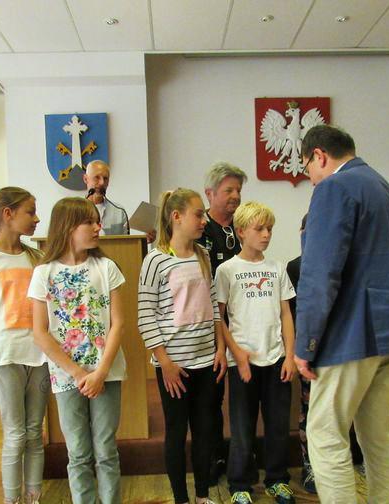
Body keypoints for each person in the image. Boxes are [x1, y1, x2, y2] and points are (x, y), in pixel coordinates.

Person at [294, 125, 389, 502]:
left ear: (319, 155)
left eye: (307, 168)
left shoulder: (334, 187)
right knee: (380, 436)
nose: (310, 179)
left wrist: (306, 343)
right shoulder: (385, 188)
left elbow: (319, 273)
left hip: (352, 332)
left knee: (325, 433)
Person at [29, 197, 126, 504]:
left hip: (106, 373)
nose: (98, 227)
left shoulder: (106, 267)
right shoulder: (43, 273)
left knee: (106, 450)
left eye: (98, 221)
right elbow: (40, 332)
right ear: (68, 227)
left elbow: (118, 324)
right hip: (66, 376)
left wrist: (100, 372)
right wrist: (79, 373)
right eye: (90, 222)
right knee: (79, 453)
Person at [139, 188, 227, 504]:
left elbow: (214, 306)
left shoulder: (202, 255)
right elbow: (145, 315)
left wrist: (220, 348)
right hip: (174, 366)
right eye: (198, 214)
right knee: (177, 433)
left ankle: (202, 495)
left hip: (206, 361)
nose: (204, 221)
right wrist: (165, 362)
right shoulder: (155, 260)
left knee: (204, 431)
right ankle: (181, 499)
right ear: (176, 217)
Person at [0, 187, 48, 504]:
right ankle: (12, 499)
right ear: (7, 214)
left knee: (34, 432)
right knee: (15, 434)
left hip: (38, 353)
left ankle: (33, 497)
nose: (36, 219)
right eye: (30, 212)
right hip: (5, 354)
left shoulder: (36, 258)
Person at [215, 202, 297, 504]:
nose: (266, 234)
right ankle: (239, 483)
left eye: (269, 229)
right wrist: (235, 352)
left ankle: (277, 479)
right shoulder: (227, 270)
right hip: (243, 362)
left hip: (276, 359)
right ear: (240, 231)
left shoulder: (277, 268)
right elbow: (219, 318)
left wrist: (290, 355)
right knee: (242, 427)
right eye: (259, 229)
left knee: (277, 425)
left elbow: (286, 314)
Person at [196, 162, 247, 484]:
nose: (236, 196)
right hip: (210, 324)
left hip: (243, 322)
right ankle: (213, 456)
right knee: (211, 396)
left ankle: (242, 456)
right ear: (210, 193)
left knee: (244, 395)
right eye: (229, 190)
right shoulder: (199, 228)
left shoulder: (244, 226)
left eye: (238, 190)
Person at [286, 214, 317, 495]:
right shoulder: (295, 267)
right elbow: (295, 312)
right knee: (308, 410)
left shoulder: (339, 262)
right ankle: (309, 465)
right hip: (309, 349)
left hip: (337, 350)